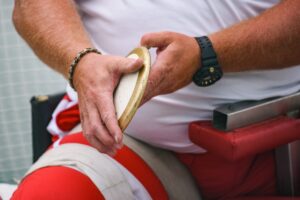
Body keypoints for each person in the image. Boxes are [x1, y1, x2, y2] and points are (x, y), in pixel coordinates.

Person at [12, 0, 300, 199]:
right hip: (124, 141)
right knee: (51, 194)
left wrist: (208, 53)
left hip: (275, 145)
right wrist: (81, 63)